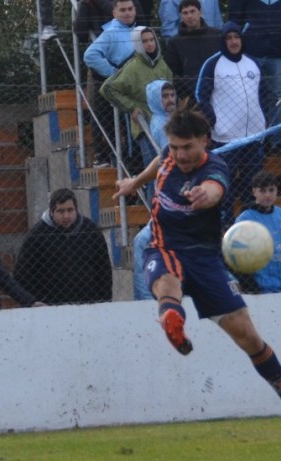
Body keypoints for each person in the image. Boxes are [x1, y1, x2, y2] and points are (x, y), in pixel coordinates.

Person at [111, 103, 281, 443]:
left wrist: (202, 196)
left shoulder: (216, 168)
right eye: (176, 147)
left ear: (204, 141)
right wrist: (134, 182)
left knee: (250, 338)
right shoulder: (169, 152)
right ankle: (172, 319)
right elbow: (159, 161)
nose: (180, 155)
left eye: (187, 147)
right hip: (163, 248)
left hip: (207, 260)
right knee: (167, 284)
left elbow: (215, 189)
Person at [196, 22, 267, 228]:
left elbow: (264, 95)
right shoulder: (213, 64)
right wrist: (214, 122)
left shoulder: (252, 63)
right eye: (229, 38)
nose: (234, 41)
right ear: (223, 41)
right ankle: (223, 225)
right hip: (226, 139)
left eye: (237, 37)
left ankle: (252, 223)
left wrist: (264, 122)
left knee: (252, 183)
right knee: (223, 183)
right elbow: (201, 95)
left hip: (254, 137)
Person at [14, 189, 113, 305]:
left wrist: (104, 301)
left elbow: (103, 270)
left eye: (70, 210)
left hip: (88, 304)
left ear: (76, 209)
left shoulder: (91, 231)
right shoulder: (37, 235)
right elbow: (22, 274)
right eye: (60, 211)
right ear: (52, 211)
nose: (66, 216)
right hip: (50, 307)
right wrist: (34, 301)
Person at [101, 25, 173, 174]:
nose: (149, 44)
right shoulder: (132, 67)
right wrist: (132, 107)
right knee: (152, 172)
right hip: (144, 126)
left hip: (165, 126)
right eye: (144, 41)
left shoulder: (163, 65)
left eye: (152, 39)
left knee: (167, 169)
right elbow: (108, 88)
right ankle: (149, 198)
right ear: (137, 44)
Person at [229, 0, 281, 151]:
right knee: (251, 96)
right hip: (252, 51)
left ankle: (275, 140)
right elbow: (235, 19)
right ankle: (255, 140)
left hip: (278, 51)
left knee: (277, 97)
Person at [133, 80, 177, 301]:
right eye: (165, 96)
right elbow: (169, 158)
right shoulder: (161, 125)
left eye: (172, 95)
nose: (170, 100)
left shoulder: (171, 121)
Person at [83, 0, 139, 167]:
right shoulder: (111, 32)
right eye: (122, 10)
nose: (127, 13)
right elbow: (90, 56)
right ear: (114, 13)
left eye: (130, 9)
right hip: (123, 89)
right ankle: (130, 167)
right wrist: (114, 73)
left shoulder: (137, 30)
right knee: (127, 134)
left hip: (136, 89)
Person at [234, 171, 281, 294]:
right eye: (263, 191)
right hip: (264, 288)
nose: (268, 195)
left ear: (277, 190)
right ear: (254, 192)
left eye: (271, 190)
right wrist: (251, 286)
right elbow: (238, 256)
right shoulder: (245, 219)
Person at [162, 0, 222, 103]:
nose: (189, 16)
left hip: (218, 93)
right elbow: (174, 74)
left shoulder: (216, 35)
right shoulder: (175, 43)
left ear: (200, 12)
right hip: (190, 98)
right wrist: (185, 94)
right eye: (185, 13)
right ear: (181, 15)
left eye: (192, 11)